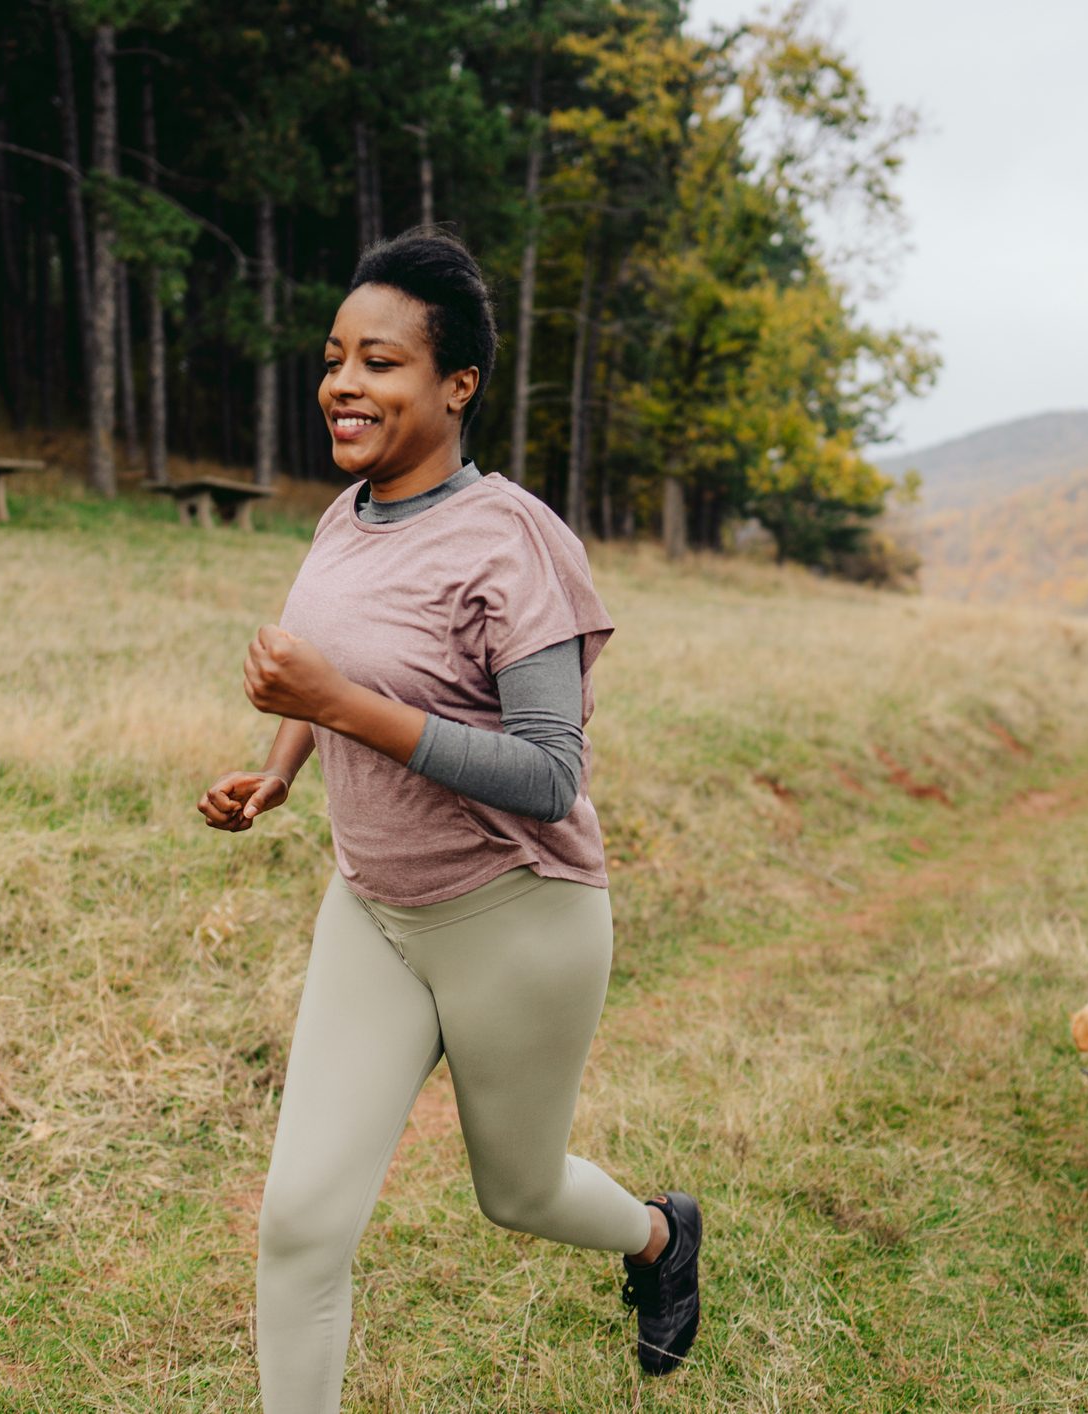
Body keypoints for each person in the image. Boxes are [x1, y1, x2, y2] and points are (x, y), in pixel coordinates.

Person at [197, 228, 701, 1413]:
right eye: (334, 359)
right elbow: (329, 672)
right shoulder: (345, 517)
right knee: (301, 1224)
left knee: (517, 1192)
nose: (343, 385)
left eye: (379, 362)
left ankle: (657, 1242)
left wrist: (338, 707)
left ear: (455, 384)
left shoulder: (514, 541)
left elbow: (548, 775)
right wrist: (277, 768)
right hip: (372, 909)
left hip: (518, 919)